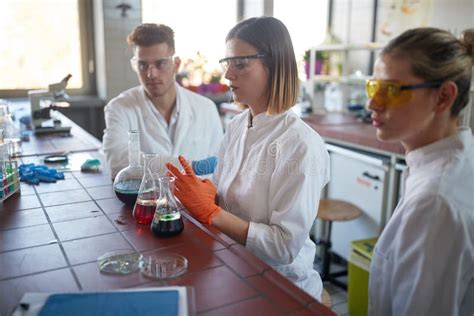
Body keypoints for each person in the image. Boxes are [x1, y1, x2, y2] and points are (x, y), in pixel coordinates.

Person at [167, 17, 330, 300]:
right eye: (227, 62)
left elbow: (284, 247)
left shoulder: (301, 144)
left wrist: (213, 213)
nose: (228, 75)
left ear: (275, 64)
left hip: (281, 287)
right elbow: (221, 191)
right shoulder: (238, 125)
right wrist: (203, 193)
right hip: (235, 267)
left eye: (240, 64)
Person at [366, 27, 474, 316]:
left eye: (390, 90)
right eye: (373, 87)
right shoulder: (449, 164)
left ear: (443, 97)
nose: (372, 103)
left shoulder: (436, 202)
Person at [103, 23, 223, 178]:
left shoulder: (206, 108)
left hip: (199, 200)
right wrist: (192, 167)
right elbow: (118, 160)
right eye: (142, 65)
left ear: (176, 64)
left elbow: (220, 170)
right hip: (146, 201)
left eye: (161, 63)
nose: (151, 74)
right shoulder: (119, 108)